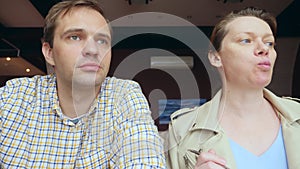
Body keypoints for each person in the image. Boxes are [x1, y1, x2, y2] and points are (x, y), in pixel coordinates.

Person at [0, 0, 166, 168]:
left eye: (102, 41)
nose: (93, 50)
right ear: (49, 53)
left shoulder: (124, 95)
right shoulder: (14, 96)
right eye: (75, 37)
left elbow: (145, 161)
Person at [167, 7, 300, 169]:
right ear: (216, 57)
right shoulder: (182, 129)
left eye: (269, 43)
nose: (264, 49)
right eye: (246, 40)